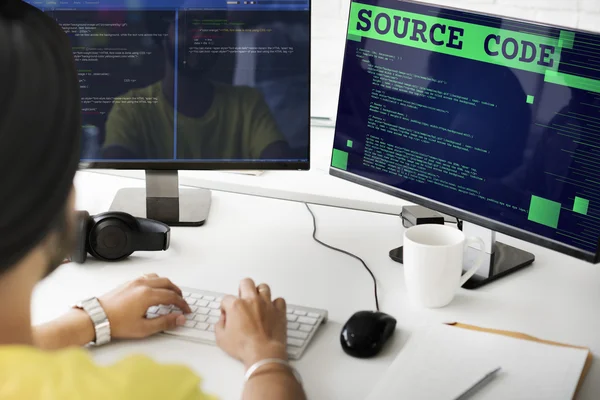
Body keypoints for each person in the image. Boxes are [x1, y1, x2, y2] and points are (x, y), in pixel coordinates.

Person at [0, 1, 305, 399]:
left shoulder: (244, 103)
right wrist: (266, 356)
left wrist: (93, 319)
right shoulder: (143, 389)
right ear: (57, 196)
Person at [102, 9, 291, 161]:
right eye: (188, 24)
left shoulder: (247, 103)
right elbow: (115, 175)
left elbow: (281, 166)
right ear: (162, 33)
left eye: (210, 26)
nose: (201, 36)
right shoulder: (130, 108)